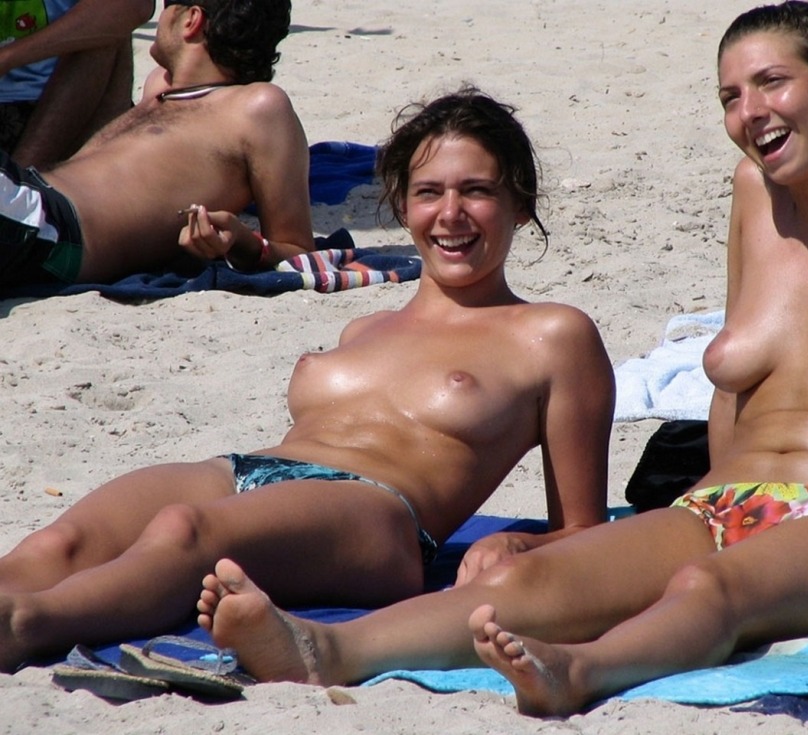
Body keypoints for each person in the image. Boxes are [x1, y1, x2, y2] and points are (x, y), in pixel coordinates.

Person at [195, 0, 808, 718]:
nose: (750, 113)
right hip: (722, 500)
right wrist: (682, 508)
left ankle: (585, 671)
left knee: (708, 588)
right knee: (530, 583)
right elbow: (738, 386)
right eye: (730, 97)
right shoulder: (755, 196)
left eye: (771, 83)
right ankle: (323, 648)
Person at [0, 86, 614, 673]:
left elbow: (583, 529)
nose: (450, 214)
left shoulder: (553, 335)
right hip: (260, 471)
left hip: (380, 515)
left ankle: (30, 624)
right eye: (429, 192)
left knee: (184, 530)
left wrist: (521, 544)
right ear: (403, 204)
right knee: (61, 545)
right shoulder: (364, 329)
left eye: (476, 191)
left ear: (520, 203)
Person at [0, 0, 314, 289]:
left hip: (47, 225)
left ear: (191, 19)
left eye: (166, 5)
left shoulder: (256, 107)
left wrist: (243, 241)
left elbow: (298, 250)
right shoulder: (159, 90)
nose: (159, 15)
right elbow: (106, 26)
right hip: (22, 195)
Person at [0, 0, 154, 169]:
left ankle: (26, 175)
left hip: (64, 95)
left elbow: (133, 6)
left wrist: (8, 58)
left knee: (105, 26)